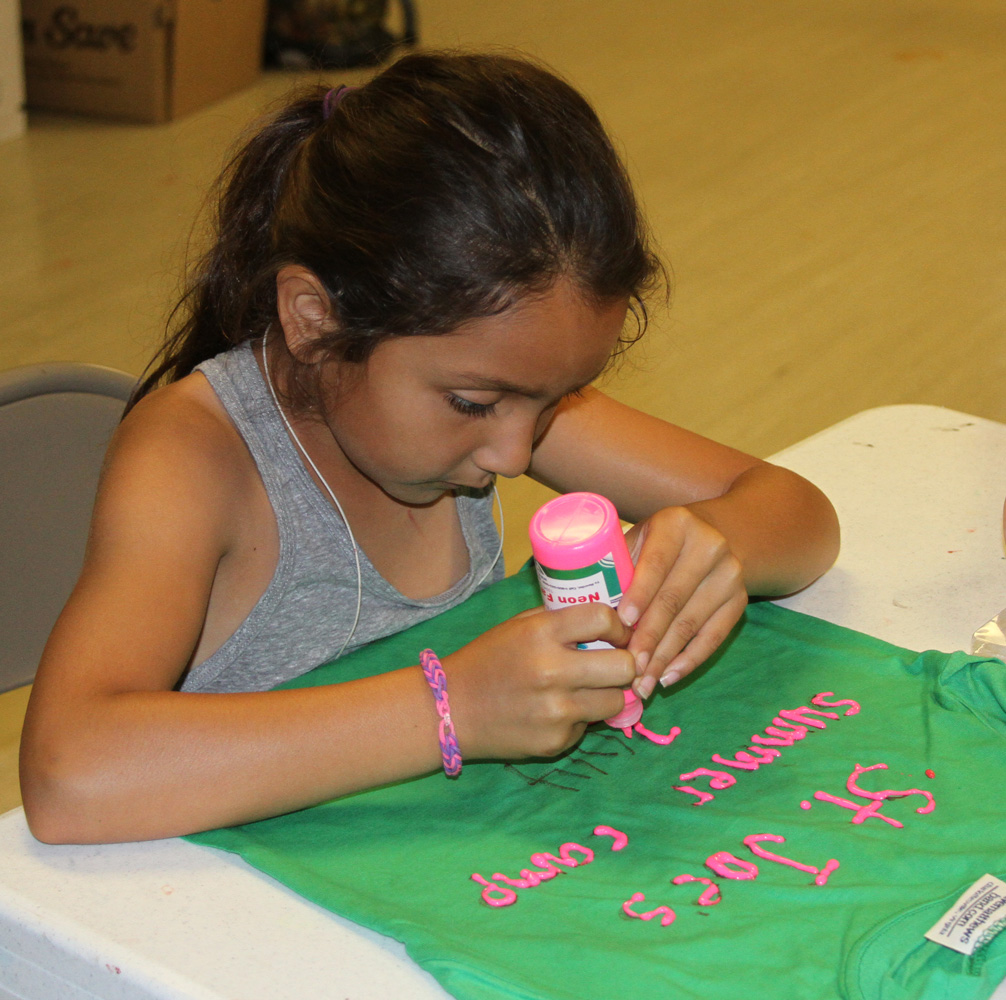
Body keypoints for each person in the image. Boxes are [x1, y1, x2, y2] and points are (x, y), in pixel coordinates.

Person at [20, 52, 840, 844]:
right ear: (314, 318)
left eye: (551, 401)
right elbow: (68, 775)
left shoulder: (503, 387)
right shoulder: (192, 457)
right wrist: (450, 710)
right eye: (473, 404)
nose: (517, 455)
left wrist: (710, 555)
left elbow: (799, 514)